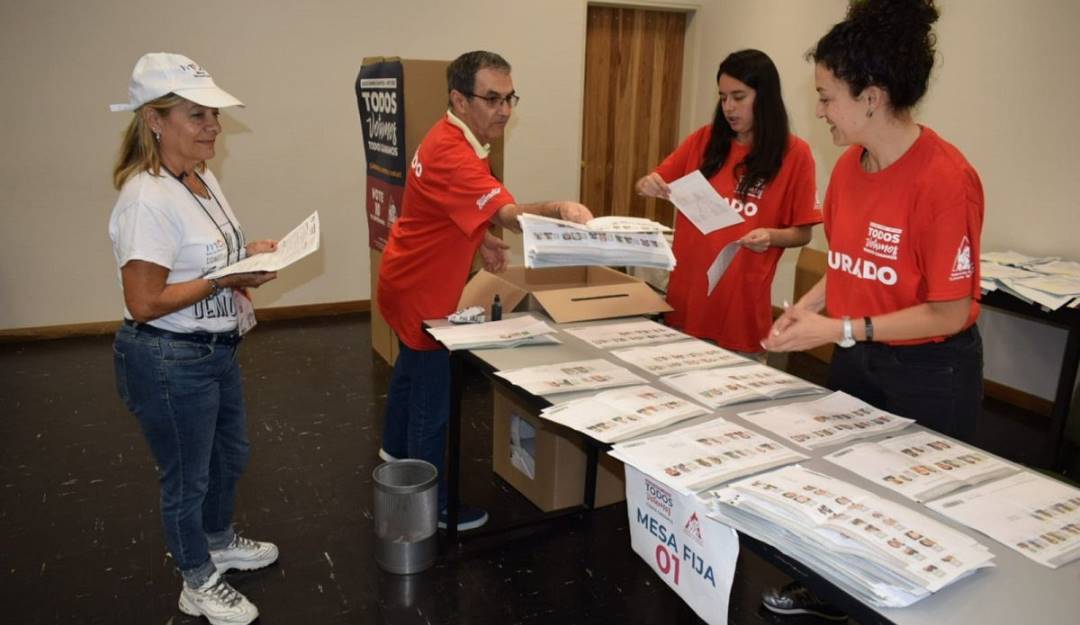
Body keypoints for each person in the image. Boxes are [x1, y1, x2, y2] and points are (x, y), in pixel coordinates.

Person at [761, 0, 984, 618]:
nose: (819, 110)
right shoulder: (847, 170)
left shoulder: (945, 179)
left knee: (918, 509)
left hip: (930, 372)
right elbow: (846, 268)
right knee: (845, 483)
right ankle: (832, 590)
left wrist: (837, 327)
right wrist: (805, 310)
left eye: (827, 97)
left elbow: (949, 311)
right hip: (858, 354)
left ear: (872, 97)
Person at [377, 50, 593, 531]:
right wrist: (558, 209)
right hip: (425, 291)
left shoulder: (456, 135)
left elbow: (447, 206)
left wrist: (480, 239)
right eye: (492, 99)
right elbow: (506, 213)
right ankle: (431, 507)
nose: (505, 110)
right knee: (432, 401)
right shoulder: (453, 152)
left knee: (408, 371)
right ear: (459, 99)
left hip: (404, 276)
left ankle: (394, 452)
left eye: (510, 98)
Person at [109, 53, 280, 625]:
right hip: (169, 357)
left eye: (214, 114)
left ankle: (218, 541)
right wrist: (225, 278)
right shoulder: (146, 199)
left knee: (231, 455)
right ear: (154, 121)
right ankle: (196, 579)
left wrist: (246, 257)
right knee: (187, 477)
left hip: (215, 349)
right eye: (198, 115)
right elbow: (144, 300)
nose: (214, 126)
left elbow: (206, 259)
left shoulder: (200, 177)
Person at [635, 49, 819, 360]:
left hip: (741, 311)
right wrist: (649, 183)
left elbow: (803, 232)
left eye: (739, 97)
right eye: (723, 98)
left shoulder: (795, 154)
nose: (729, 107)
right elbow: (648, 181)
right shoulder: (704, 140)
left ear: (765, 97)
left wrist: (772, 236)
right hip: (688, 304)